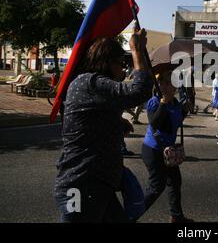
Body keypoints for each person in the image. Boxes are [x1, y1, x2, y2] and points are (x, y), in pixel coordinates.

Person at [54, 31, 152, 223]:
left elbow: (89, 118)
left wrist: (115, 122)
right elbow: (139, 91)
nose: (123, 70)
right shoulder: (90, 82)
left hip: (98, 185)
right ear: (107, 62)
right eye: (120, 63)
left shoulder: (90, 86)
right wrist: (137, 51)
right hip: (81, 186)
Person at [141, 72, 193, 223]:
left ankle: (176, 216)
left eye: (169, 83)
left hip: (167, 150)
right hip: (153, 150)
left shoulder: (175, 103)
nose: (165, 86)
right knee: (156, 187)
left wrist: (184, 110)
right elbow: (155, 124)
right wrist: (163, 104)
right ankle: (130, 215)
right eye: (162, 83)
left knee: (175, 181)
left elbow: (172, 125)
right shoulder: (155, 102)